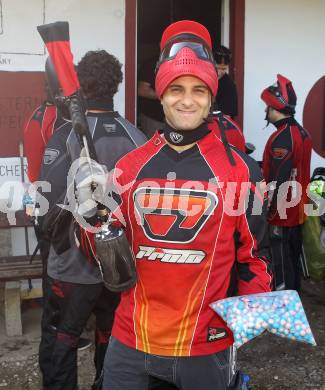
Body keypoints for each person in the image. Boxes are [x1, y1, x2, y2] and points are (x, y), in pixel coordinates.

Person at [77, 21, 272, 390]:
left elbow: (256, 258)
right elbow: (102, 257)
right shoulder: (129, 167)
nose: (187, 99)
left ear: (212, 96)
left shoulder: (242, 171)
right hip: (131, 340)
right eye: (176, 88)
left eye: (199, 89)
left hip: (204, 345)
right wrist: (90, 218)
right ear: (161, 93)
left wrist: (243, 323)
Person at [37, 50, 147, 390]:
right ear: (116, 84)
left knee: (62, 339)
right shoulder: (138, 138)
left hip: (72, 265)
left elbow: (45, 207)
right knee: (110, 337)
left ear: (79, 84)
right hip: (119, 265)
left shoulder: (68, 134)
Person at [261, 74, 312, 291]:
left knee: (281, 265)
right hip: (296, 210)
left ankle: (283, 314)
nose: (265, 111)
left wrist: (267, 211)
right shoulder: (299, 131)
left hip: (283, 214)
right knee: (291, 262)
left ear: (275, 108)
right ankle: (293, 305)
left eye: (267, 107)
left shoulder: (284, 138)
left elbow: (279, 181)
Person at [138, 57, 165, 138]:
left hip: (175, 119)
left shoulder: (182, 64)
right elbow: (142, 90)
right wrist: (167, 95)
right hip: (153, 119)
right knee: (154, 148)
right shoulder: (152, 64)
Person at [213, 45, 238, 118]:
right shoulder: (201, 79)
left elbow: (227, 117)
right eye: (217, 68)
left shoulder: (229, 85)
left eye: (223, 69)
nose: (219, 72)